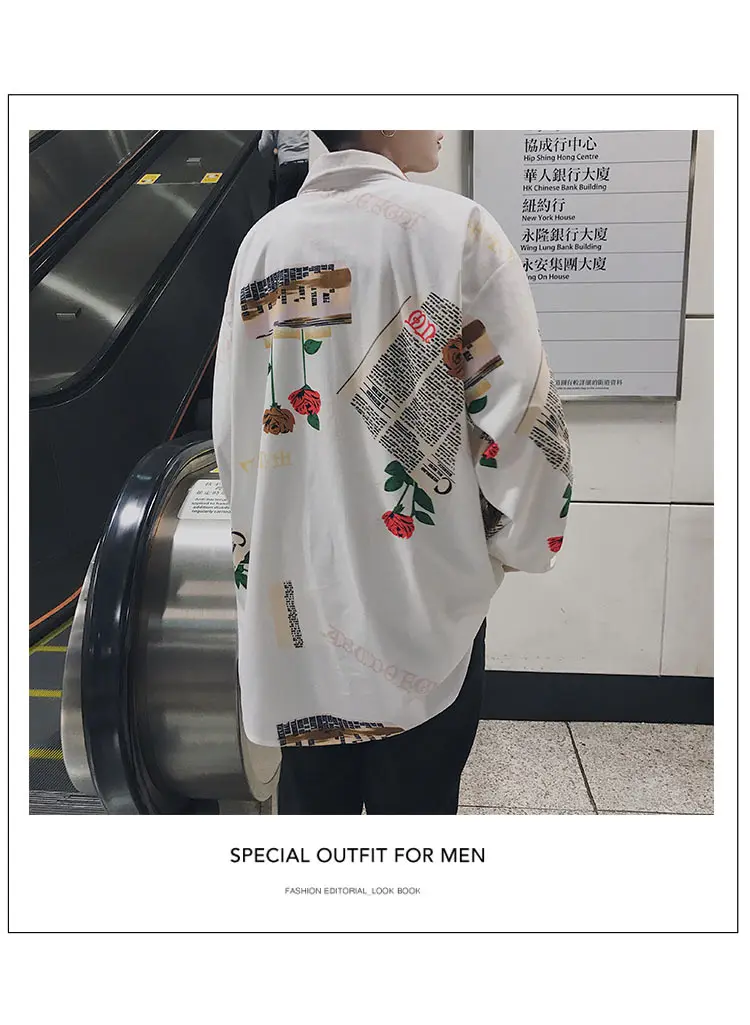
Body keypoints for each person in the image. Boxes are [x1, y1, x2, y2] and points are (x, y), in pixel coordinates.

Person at [213, 130, 573, 815]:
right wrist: (517, 544)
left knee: (313, 824)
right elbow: (525, 423)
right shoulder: (457, 233)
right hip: (422, 603)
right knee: (415, 816)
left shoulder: (263, 245)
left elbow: (235, 431)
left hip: (295, 614)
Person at [259, 130, 309, 205]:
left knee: (284, 208)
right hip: (308, 166)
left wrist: (274, 150)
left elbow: (264, 146)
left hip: (287, 168)